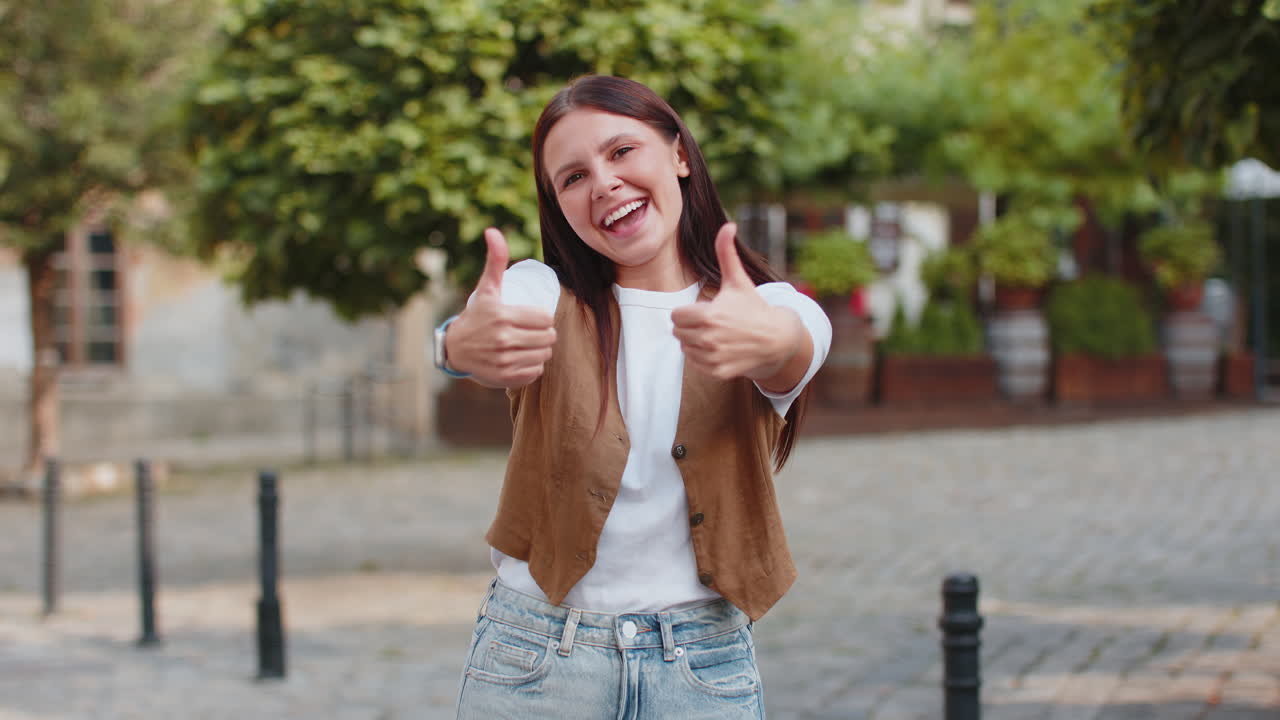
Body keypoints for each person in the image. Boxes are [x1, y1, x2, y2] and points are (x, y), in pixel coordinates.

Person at [435, 75, 832, 719]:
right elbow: (490, 321)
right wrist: (457, 347)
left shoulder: (762, 308)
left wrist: (767, 341)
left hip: (702, 666)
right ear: (560, 207)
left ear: (678, 155)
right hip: (535, 660)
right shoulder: (542, 292)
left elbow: (796, 341)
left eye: (621, 151)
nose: (604, 183)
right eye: (573, 177)